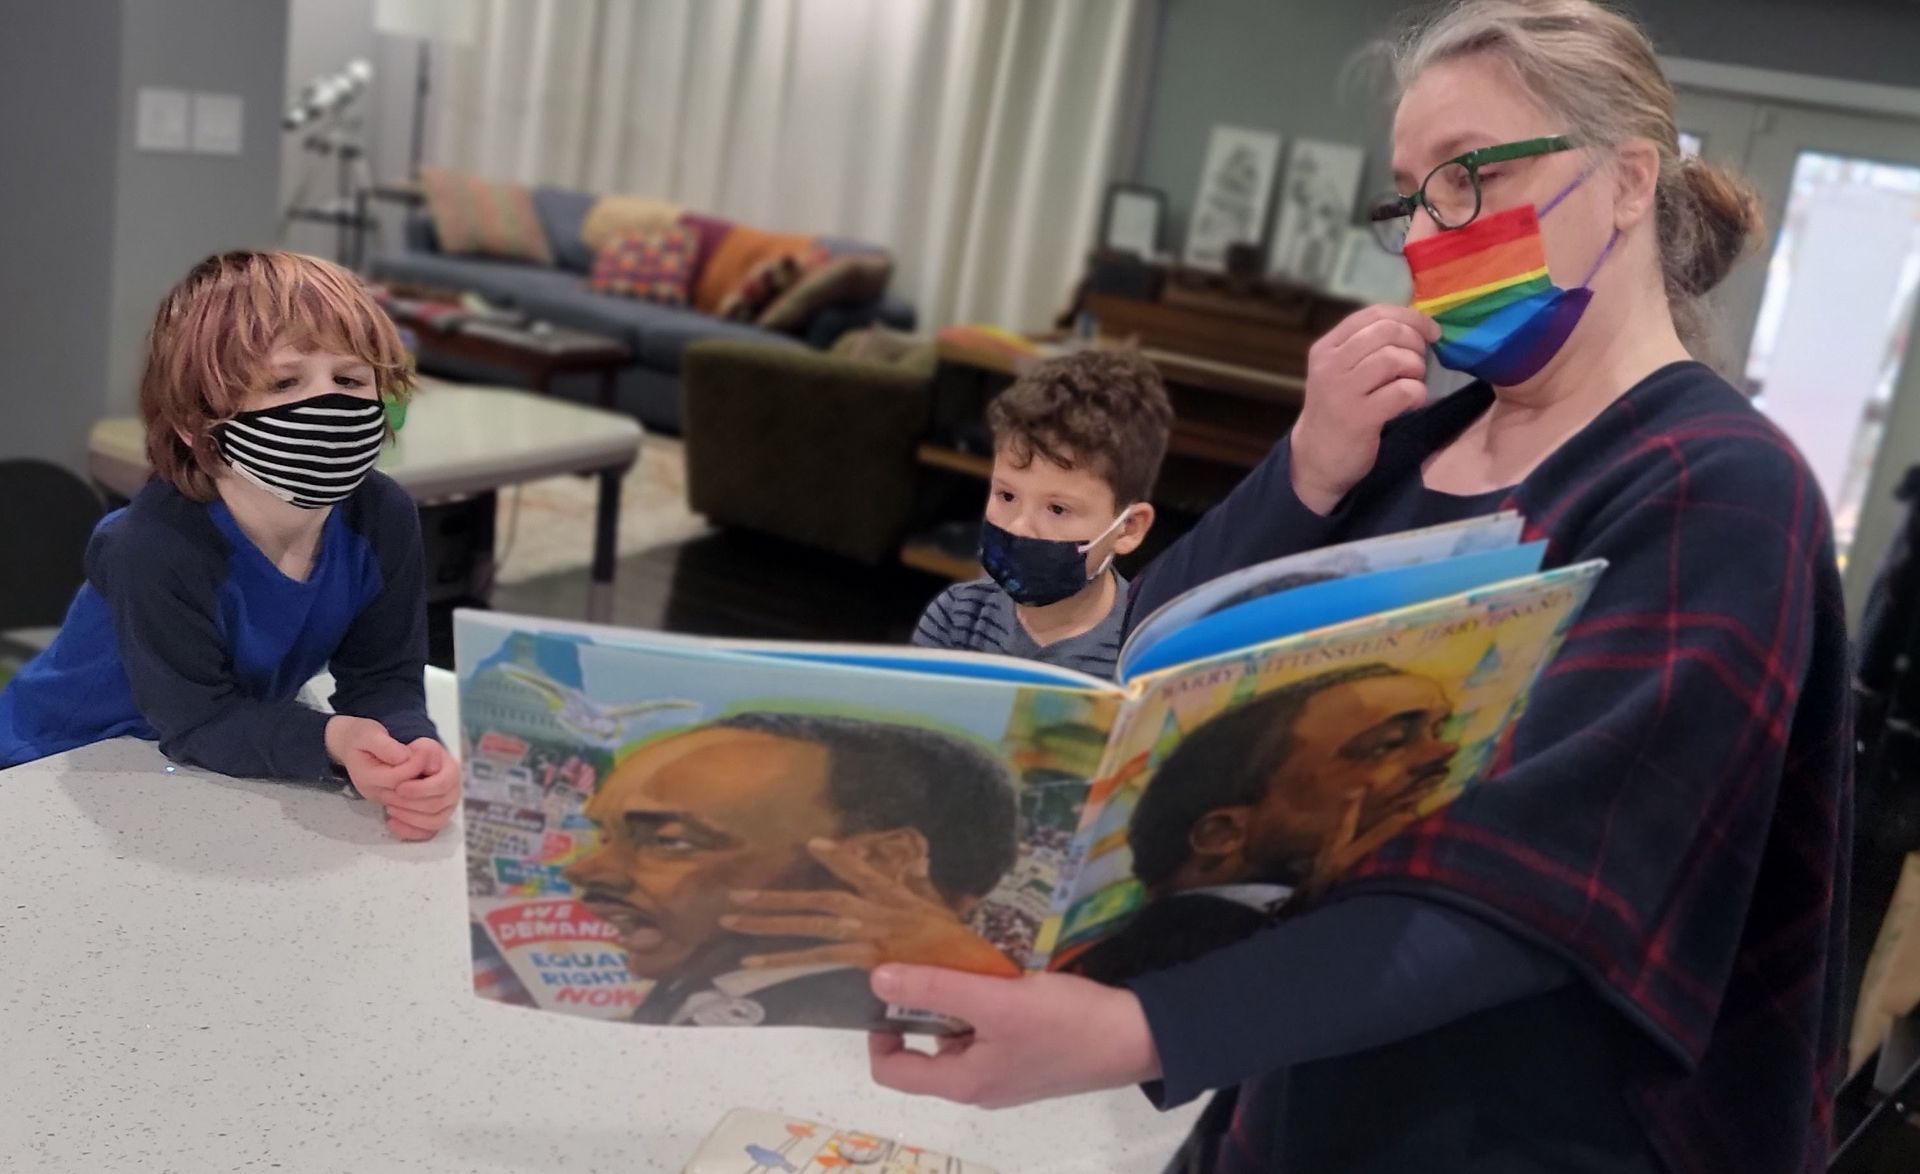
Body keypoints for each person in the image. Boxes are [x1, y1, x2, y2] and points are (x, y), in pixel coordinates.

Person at [859, 4, 1851, 1173]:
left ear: (1630, 181)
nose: (1430, 230)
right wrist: (1308, 471)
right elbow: (1141, 668)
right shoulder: (1404, 444)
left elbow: (1542, 875)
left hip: (1513, 1128)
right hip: (1300, 1083)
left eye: (1466, 178)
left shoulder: (1721, 491)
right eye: (1409, 195)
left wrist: (1145, 1029)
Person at [0, 250, 460, 842]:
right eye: (284, 382)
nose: (330, 404)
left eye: (349, 380)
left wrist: (410, 751)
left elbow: (383, 675)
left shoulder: (381, 516)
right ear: (196, 423)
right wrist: (334, 740)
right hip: (59, 765)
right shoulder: (152, 548)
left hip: (220, 762)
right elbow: (198, 720)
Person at [561, 711, 1022, 1027]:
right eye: (604, 837)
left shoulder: (845, 1021)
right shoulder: (706, 973)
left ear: (879, 862)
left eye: (669, 842)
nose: (584, 870)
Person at [1067, 664, 1456, 986]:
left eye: (1437, 731)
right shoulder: (1171, 950)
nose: (1443, 752)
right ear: (1222, 833)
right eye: (1386, 744)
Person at [913, 350, 1172, 678]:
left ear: (1128, 528)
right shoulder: (956, 618)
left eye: (1057, 509)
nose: (1020, 527)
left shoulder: (1141, 653)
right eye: (1007, 495)